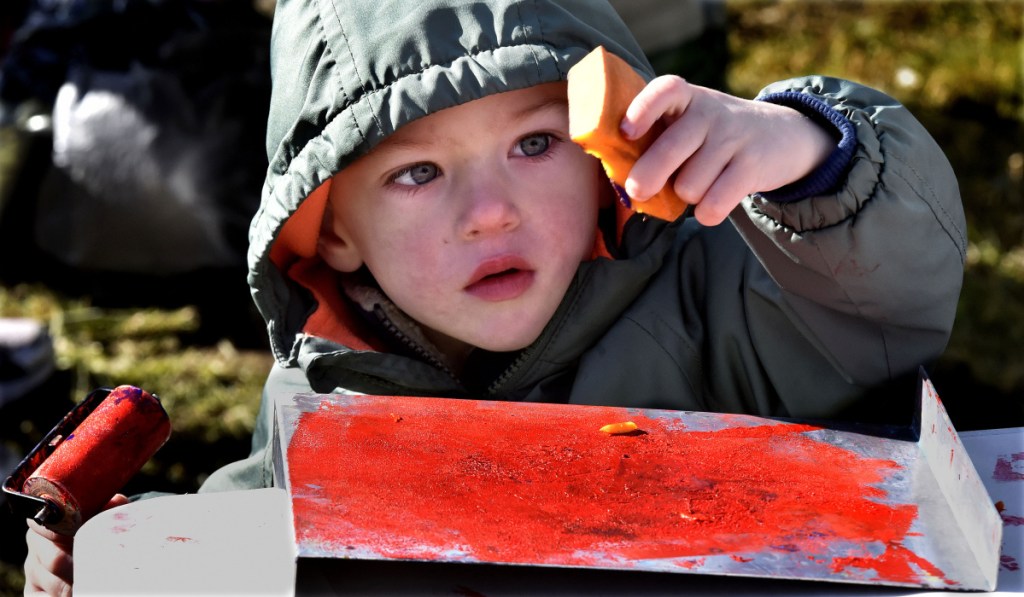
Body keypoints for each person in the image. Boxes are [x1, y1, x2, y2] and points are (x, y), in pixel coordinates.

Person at [23, 0, 966, 593]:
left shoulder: (719, 288)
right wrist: (129, 564)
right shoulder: (324, 405)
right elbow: (282, 550)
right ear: (332, 229)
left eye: (532, 145)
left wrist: (807, 158)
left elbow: (887, 295)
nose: (489, 213)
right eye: (418, 172)